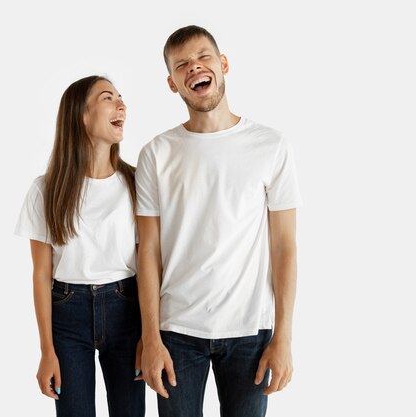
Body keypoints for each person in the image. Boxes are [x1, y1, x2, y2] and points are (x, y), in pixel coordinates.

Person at [135, 25, 303, 417]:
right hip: (176, 332)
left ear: (223, 64)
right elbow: (148, 251)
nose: (194, 67)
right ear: (172, 83)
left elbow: (285, 247)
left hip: (250, 332)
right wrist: (150, 336)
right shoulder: (156, 154)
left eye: (203, 57)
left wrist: (284, 337)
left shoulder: (271, 145)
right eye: (182, 65)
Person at [15, 75, 145, 417]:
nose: (121, 105)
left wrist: (149, 335)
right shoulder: (46, 190)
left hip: (126, 309)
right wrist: (46, 351)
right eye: (108, 98)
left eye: (121, 97)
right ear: (81, 116)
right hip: (67, 314)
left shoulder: (135, 183)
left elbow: (148, 264)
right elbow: (41, 274)